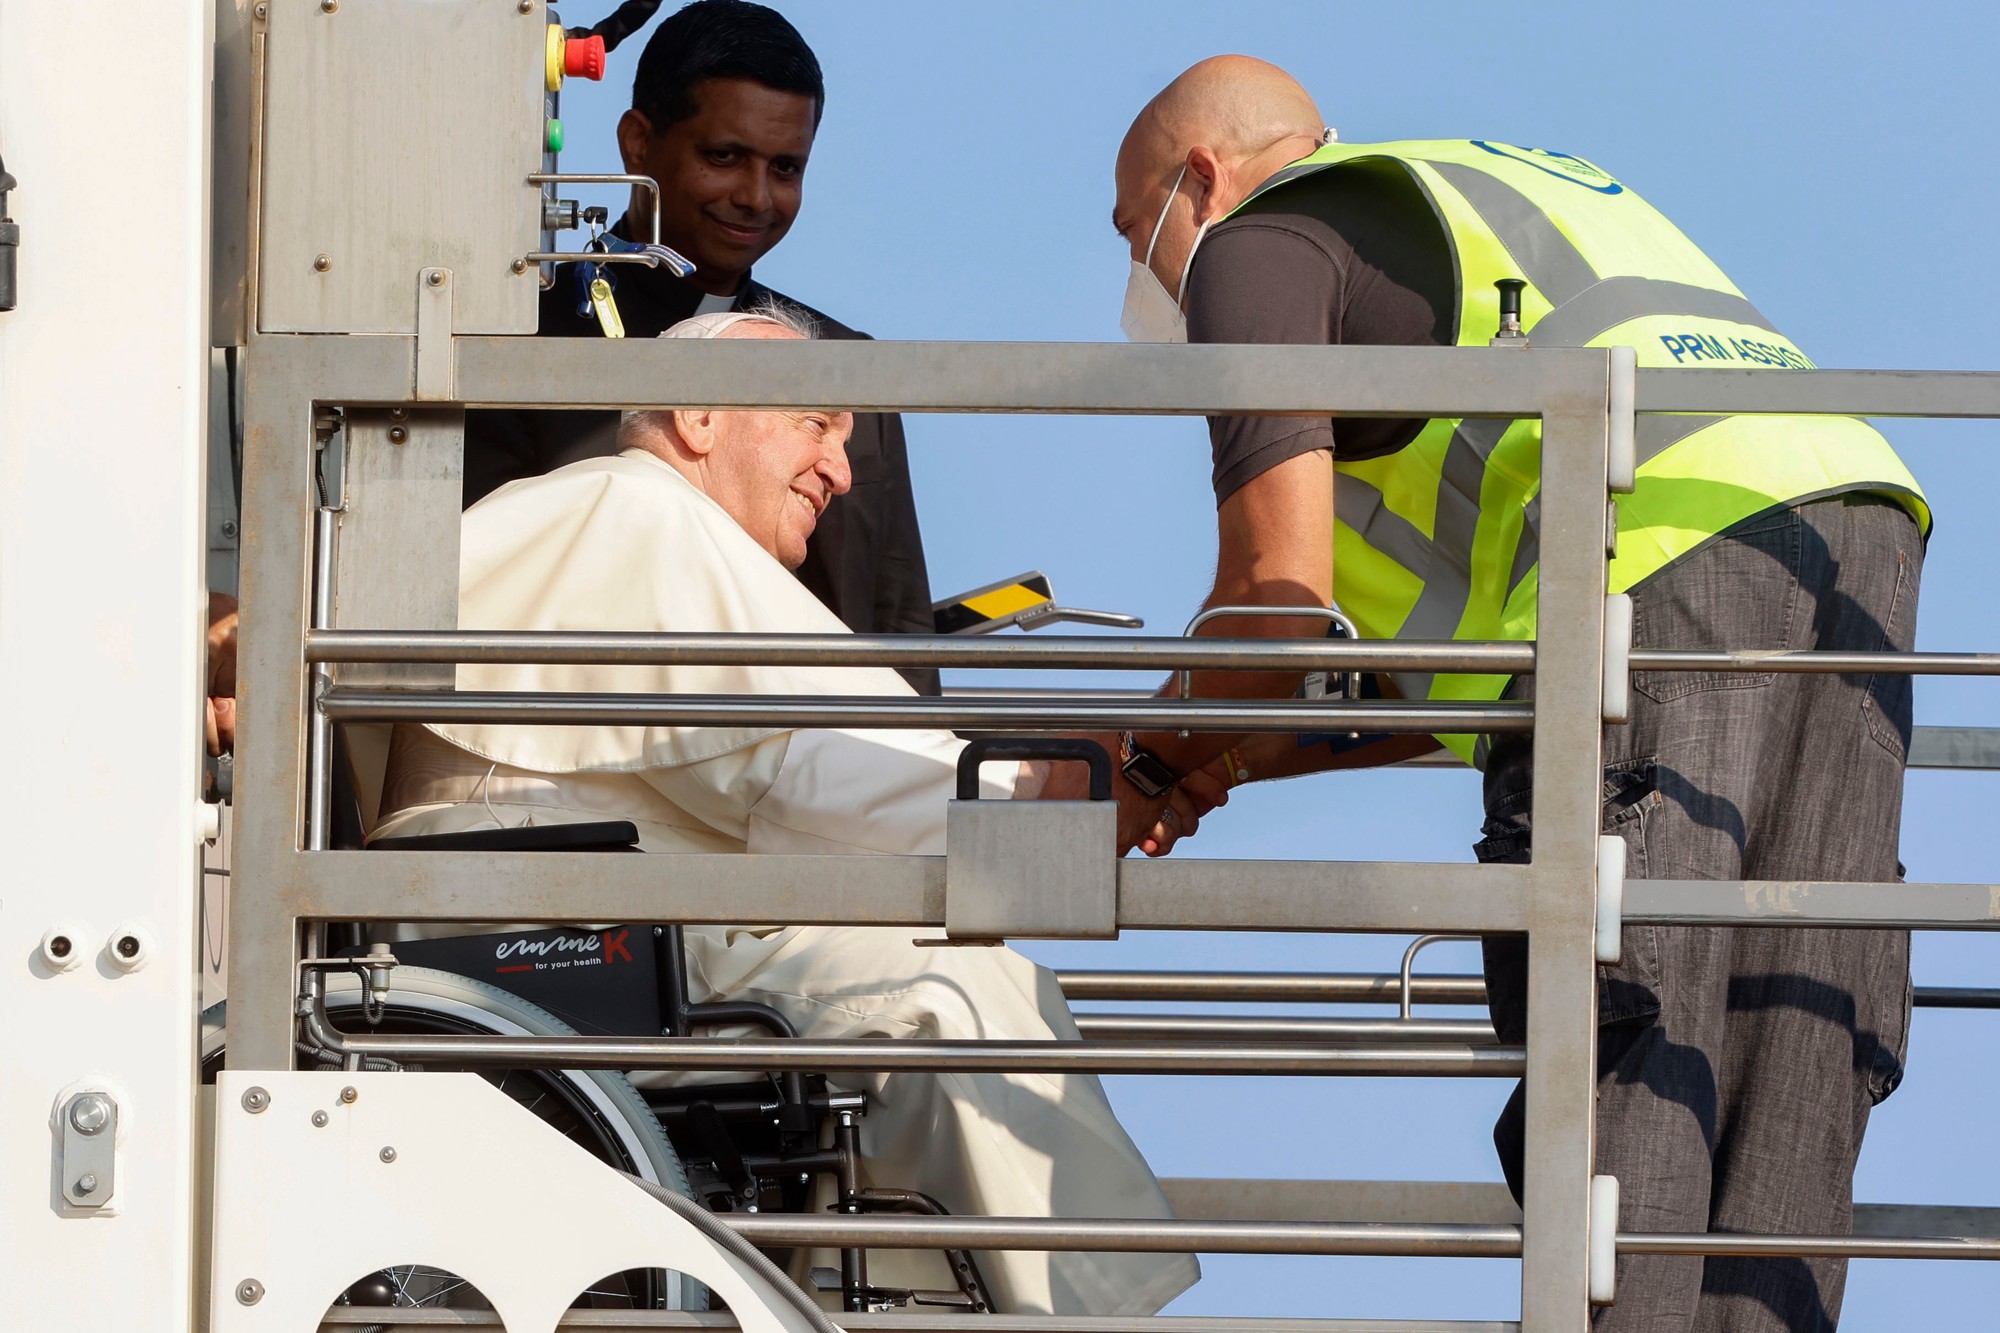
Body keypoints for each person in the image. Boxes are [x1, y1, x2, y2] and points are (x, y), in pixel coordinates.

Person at [1101, 55, 1930, 1332]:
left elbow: (1272, 597)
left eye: (1132, 234)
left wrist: (1133, 767)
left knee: (1627, 1010)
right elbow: (1389, 682)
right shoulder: (1467, 210)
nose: (1144, 281)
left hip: (1656, 547)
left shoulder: (1253, 242)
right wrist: (1223, 749)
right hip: (1847, 527)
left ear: (1196, 179)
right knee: (1793, 1028)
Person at [374, 310, 1203, 1317]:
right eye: (816, 424)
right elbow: (812, 771)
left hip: (617, 934)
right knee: (950, 996)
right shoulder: (635, 512)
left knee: (963, 979)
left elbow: (808, 775)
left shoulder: (637, 525)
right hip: (566, 943)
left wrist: (1075, 799)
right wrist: (1059, 797)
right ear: (699, 415)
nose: (840, 471)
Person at [466, 0, 940, 691]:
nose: (756, 196)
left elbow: (899, 637)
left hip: (808, 773)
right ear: (638, 143)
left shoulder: (842, 368)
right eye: (725, 157)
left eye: (786, 169)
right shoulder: (523, 335)